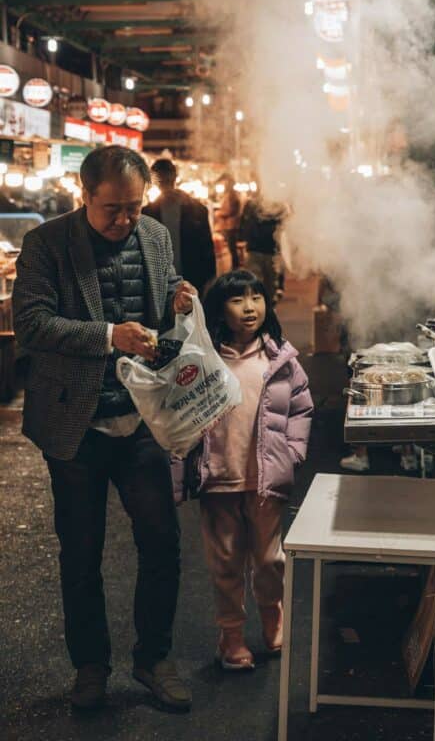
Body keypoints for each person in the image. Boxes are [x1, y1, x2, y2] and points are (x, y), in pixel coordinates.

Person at [12, 146, 197, 712]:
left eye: (133, 208)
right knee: (80, 552)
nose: (123, 220)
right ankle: (90, 668)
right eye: (111, 209)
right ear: (83, 195)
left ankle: (154, 658)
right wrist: (108, 334)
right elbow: (32, 323)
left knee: (162, 544)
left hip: (143, 418)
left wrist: (178, 299)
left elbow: (164, 299)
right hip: (75, 425)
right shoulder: (46, 244)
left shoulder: (156, 235)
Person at [198, 270, 313, 670]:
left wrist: (293, 452)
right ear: (218, 308)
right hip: (217, 477)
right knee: (226, 562)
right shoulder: (203, 358)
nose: (249, 308)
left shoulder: (280, 358)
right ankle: (231, 635)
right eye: (237, 300)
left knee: (269, 559)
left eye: (256, 297)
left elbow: (301, 407)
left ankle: (272, 615)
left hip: (266, 480)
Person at [143, 158, 216, 296]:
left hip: (190, 277)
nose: (164, 182)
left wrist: (210, 279)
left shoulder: (197, 209)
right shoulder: (148, 213)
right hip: (162, 280)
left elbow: (207, 249)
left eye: (165, 177)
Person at [238, 193, 286, 304]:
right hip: (258, 248)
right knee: (256, 281)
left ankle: (268, 307)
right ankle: (261, 305)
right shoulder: (252, 203)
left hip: (269, 249)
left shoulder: (277, 204)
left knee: (269, 282)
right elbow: (245, 221)